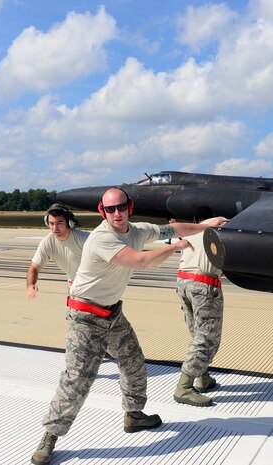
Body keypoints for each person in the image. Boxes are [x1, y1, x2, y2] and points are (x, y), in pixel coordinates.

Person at [31, 187, 228, 465]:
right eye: (110, 209)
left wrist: (204, 226)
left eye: (121, 207)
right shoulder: (102, 238)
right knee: (78, 379)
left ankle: (134, 415)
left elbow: (170, 228)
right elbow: (141, 261)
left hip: (112, 314)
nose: (116, 213)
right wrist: (175, 247)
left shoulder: (137, 230)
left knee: (133, 362)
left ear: (129, 206)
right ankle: (49, 437)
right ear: (102, 211)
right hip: (85, 317)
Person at [173, 207, 225, 407]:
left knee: (197, 333)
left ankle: (203, 377)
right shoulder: (219, 223)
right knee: (207, 337)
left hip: (183, 282)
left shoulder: (192, 230)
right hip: (203, 285)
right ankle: (184, 387)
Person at [27, 203, 88, 300]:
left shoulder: (84, 239)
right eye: (51, 223)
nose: (55, 228)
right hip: (74, 285)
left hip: (96, 285)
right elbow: (34, 268)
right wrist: (31, 285)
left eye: (59, 223)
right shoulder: (47, 242)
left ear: (69, 223)